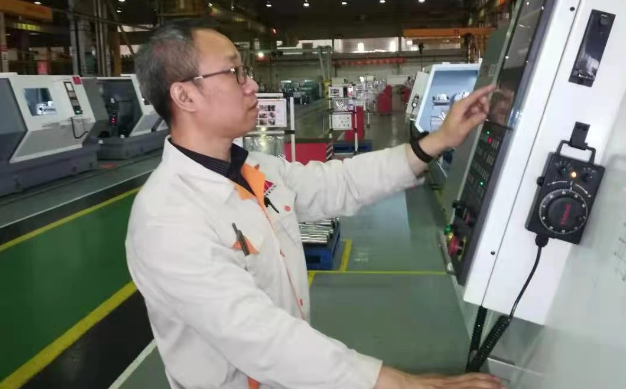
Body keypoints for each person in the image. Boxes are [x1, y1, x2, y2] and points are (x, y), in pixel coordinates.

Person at [127, 19, 500, 389]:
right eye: (234, 72)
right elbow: (262, 337)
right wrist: (404, 384)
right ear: (185, 97)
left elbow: (340, 182)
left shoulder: (255, 170)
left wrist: (437, 141)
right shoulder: (167, 219)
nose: (252, 84)